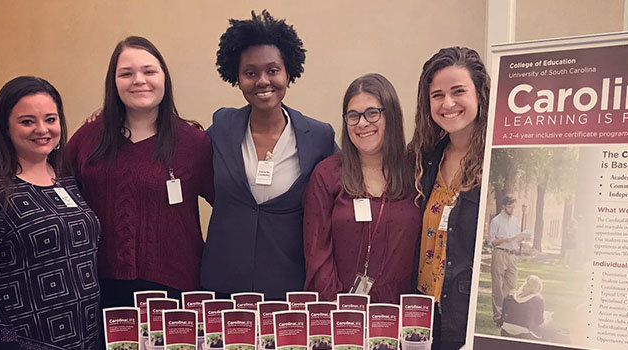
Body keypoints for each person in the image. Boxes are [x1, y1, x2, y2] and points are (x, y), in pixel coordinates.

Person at [65, 36, 213, 305]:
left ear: (164, 78)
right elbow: (56, 193)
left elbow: (229, 204)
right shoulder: (89, 137)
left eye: (149, 71)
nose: (139, 80)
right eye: (126, 73)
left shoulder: (193, 142)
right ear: (114, 83)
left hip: (175, 289)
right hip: (100, 287)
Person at [201, 10, 337, 300]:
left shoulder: (320, 136)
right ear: (236, 77)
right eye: (250, 73)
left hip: (289, 288)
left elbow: (340, 193)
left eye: (273, 70)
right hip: (223, 285)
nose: (263, 81)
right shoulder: (222, 127)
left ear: (289, 72)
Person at [0, 76, 100, 349]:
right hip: (26, 341)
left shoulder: (64, 175)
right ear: (5, 127)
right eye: (27, 121)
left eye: (50, 119)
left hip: (85, 335)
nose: (42, 130)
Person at [303, 74, 420, 303]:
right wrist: (341, 310)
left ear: (392, 115)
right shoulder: (327, 175)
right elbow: (317, 254)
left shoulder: (415, 172)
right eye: (353, 116)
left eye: (372, 113)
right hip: (341, 312)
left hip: (401, 311)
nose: (362, 123)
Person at [410, 47, 490, 350]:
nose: (448, 103)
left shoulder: (494, 162)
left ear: (479, 95)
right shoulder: (425, 160)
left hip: (465, 319)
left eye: (459, 91)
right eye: (437, 95)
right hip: (424, 317)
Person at [487, 194, 521, 323]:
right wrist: (504, 240)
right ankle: (498, 316)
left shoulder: (515, 220)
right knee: (497, 285)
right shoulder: (496, 221)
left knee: (512, 282)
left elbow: (516, 236)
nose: (512, 210)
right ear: (504, 206)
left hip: (511, 254)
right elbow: (491, 241)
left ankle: (504, 310)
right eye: (510, 207)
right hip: (500, 253)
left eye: (513, 207)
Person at [500, 275, 545, 339]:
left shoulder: (510, 296)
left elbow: (503, 314)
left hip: (505, 330)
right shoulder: (537, 299)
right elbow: (539, 321)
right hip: (522, 333)